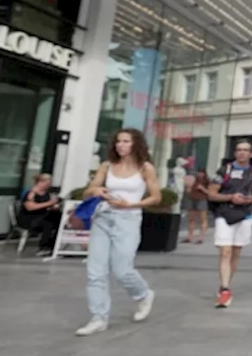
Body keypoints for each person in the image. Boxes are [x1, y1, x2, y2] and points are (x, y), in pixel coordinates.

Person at [76, 128, 160, 336]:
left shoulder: (145, 168)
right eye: (118, 141)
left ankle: (143, 294)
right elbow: (89, 190)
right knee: (95, 271)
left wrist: (131, 204)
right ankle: (98, 317)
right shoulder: (107, 166)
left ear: (135, 144)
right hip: (103, 218)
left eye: (126, 141)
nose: (121, 145)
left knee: (122, 269)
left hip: (128, 219)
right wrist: (95, 190)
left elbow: (156, 196)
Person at [207, 140, 252, 308]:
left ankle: (225, 286)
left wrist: (248, 199)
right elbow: (211, 194)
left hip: (244, 215)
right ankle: (225, 289)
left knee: (235, 252)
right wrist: (230, 197)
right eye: (238, 150)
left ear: (251, 154)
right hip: (224, 214)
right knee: (225, 251)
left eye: (245, 150)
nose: (241, 153)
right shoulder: (224, 170)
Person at [17, 172, 61, 256]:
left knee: (57, 219)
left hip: (42, 216)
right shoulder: (31, 193)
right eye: (47, 183)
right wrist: (49, 203)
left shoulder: (46, 194)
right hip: (30, 218)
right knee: (48, 223)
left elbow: (47, 206)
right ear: (40, 182)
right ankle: (44, 246)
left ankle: (52, 245)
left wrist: (53, 206)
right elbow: (30, 207)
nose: (48, 185)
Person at [181, 169, 210, 244]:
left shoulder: (207, 181)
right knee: (191, 219)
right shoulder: (193, 181)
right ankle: (189, 237)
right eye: (198, 172)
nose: (199, 174)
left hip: (202, 200)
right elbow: (188, 191)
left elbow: (210, 193)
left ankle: (201, 238)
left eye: (201, 173)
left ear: (204, 174)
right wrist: (188, 188)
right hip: (192, 199)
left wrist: (202, 188)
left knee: (202, 219)